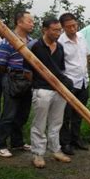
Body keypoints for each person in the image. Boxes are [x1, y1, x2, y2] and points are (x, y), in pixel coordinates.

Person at [24, 18, 72, 168]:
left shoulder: (60, 47)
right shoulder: (34, 46)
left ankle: (55, 150)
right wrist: (38, 85)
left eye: (59, 30)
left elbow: (61, 69)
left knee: (56, 122)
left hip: (59, 89)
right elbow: (27, 72)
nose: (58, 33)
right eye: (55, 30)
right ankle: (38, 154)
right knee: (40, 122)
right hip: (42, 89)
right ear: (45, 29)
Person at [0, 11, 35, 158]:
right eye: (30, 21)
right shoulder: (8, 40)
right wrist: (13, 73)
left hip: (28, 79)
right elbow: (0, 63)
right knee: (9, 113)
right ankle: (0, 145)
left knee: (23, 114)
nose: (33, 23)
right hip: (12, 77)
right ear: (19, 22)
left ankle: (17, 143)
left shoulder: (31, 41)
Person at [58, 13, 90, 155]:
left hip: (83, 81)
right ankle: (64, 143)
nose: (73, 28)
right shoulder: (60, 42)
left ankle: (75, 139)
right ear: (63, 27)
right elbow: (58, 64)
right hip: (69, 82)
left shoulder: (82, 38)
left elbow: (86, 56)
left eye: (74, 25)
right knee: (66, 115)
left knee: (79, 113)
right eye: (69, 26)